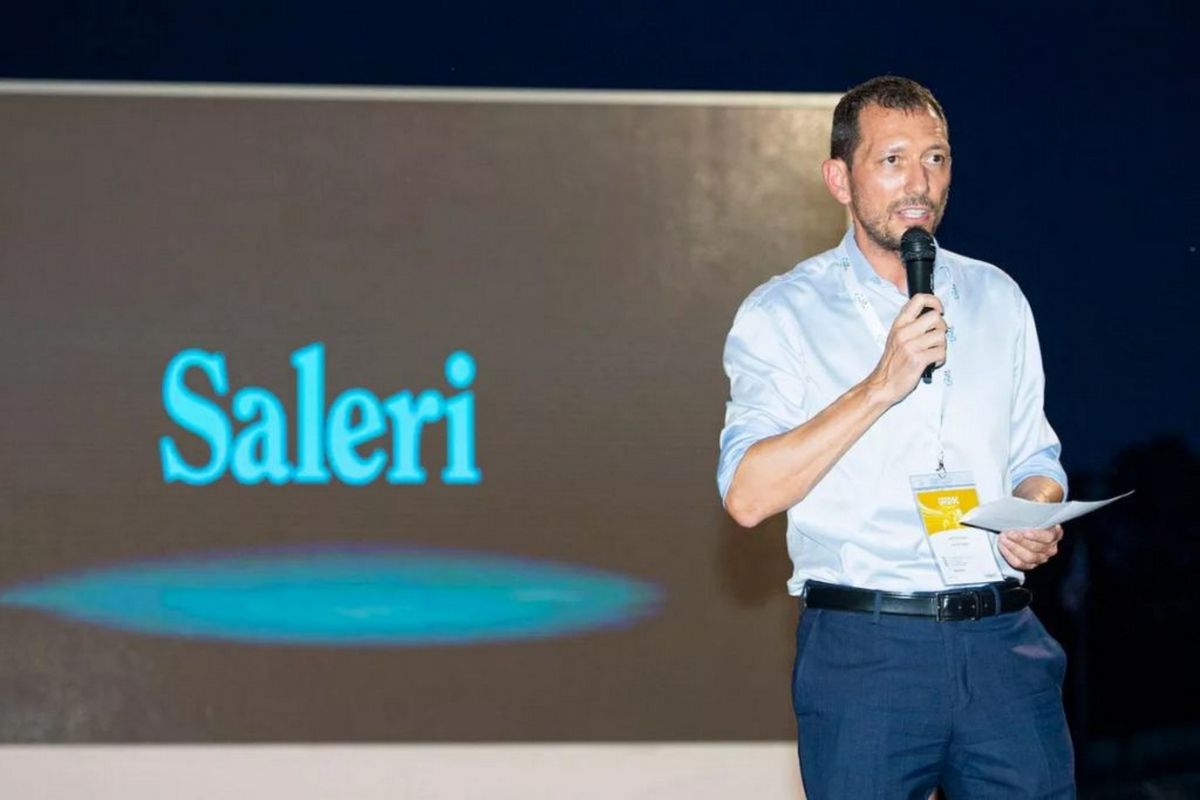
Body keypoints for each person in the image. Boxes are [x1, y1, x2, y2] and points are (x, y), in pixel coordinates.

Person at [717, 76, 1074, 799]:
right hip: (867, 653)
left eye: (935, 158)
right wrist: (883, 382)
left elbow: (1036, 455)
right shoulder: (782, 313)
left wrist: (1036, 508)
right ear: (839, 179)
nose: (919, 183)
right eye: (892, 160)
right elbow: (747, 496)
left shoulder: (997, 296)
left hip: (1003, 645)